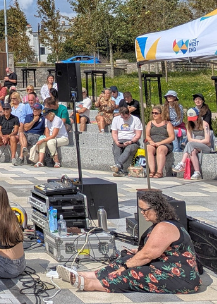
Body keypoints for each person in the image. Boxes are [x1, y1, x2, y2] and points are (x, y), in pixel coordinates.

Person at [58, 190, 201, 294]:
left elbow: (147, 255)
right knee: (126, 258)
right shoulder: (161, 224)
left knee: (133, 272)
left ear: (157, 208)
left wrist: (126, 267)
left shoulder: (165, 227)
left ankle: (92, 284)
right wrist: (129, 259)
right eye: (141, 210)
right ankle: (89, 275)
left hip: (180, 278)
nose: (143, 213)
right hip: (164, 266)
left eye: (145, 210)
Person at [175, 108, 213, 181]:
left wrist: (195, 142)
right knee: (192, 151)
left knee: (190, 144)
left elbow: (207, 140)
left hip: (206, 146)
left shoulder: (205, 124)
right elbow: (189, 139)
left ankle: (182, 163)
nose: (192, 120)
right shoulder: (189, 125)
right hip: (195, 146)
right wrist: (197, 141)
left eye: (194, 118)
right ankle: (197, 172)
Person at [33, 101, 68, 168]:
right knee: (43, 141)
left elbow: (54, 135)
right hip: (52, 137)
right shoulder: (47, 119)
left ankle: (57, 161)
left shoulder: (57, 120)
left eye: (46, 115)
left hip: (63, 138)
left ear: (50, 114)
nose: (45, 117)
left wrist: (45, 140)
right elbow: (47, 131)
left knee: (50, 142)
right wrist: (45, 139)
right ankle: (40, 161)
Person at [110, 106, 143, 177]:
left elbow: (138, 135)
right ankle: (119, 170)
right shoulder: (116, 119)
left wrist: (130, 141)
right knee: (116, 149)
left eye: (126, 117)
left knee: (128, 149)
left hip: (132, 141)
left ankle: (118, 165)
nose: (124, 119)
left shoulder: (136, 119)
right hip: (120, 139)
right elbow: (114, 133)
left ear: (129, 113)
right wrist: (116, 141)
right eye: (122, 117)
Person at [144, 106, 175, 178]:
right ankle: (152, 171)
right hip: (152, 142)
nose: (154, 114)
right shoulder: (150, 123)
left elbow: (172, 137)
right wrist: (151, 141)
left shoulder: (167, 124)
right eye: (153, 113)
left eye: (156, 113)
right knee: (148, 148)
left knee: (160, 149)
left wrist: (160, 143)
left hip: (164, 143)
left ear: (161, 114)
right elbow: (147, 135)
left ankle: (159, 171)